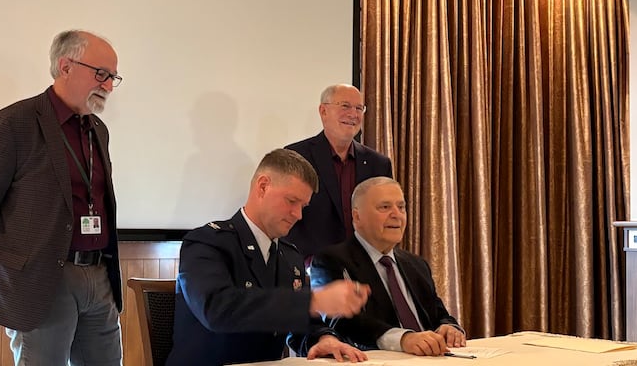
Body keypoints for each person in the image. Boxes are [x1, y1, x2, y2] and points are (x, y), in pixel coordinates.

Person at [0, 30, 125, 365]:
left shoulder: (97, 130)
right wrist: (3, 273)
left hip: (98, 275)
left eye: (113, 77)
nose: (108, 85)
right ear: (65, 66)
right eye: (101, 74)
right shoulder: (14, 123)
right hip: (40, 281)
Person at [167, 148, 372, 366]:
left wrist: (323, 338)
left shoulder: (290, 256)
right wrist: (313, 300)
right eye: (291, 201)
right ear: (263, 186)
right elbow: (217, 309)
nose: (298, 215)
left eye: (303, 206)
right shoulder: (207, 243)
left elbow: (300, 322)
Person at [310, 177, 466, 357]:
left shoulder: (416, 264)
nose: (396, 214)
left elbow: (439, 313)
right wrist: (403, 339)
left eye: (401, 207)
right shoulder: (332, 260)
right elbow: (343, 323)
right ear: (357, 216)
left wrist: (449, 327)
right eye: (385, 207)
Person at [285, 84, 393, 259]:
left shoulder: (378, 164)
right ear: (323, 111)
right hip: (311, 267)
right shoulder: (296, 157)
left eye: (359, 108)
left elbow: (386, 219)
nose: (353, 114)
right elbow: (285, 216)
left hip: (364, 266)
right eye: (345, 106)